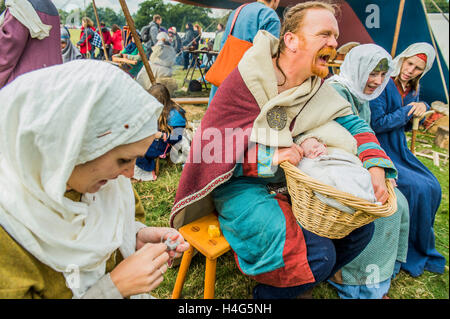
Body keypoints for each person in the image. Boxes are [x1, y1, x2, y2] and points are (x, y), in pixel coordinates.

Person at [170, 2, 398, 299]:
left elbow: (355, 124)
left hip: (293, 181)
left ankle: (298, 280)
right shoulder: (247, 79)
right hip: (240, 185)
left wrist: (375, 165)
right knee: (319, 256)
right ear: (291, 40)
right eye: (325, 34)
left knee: (360, 231)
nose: (334, 43)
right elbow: (210, 148)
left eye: (336, 36)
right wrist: (270, 157)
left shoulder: (315, 87)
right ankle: (269, 294)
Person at [0, 60, 190, 299]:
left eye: (134, 160)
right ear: (73, 146)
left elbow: (120, 219)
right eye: (123, 160)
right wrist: (114, 288)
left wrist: (135, 236)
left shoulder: (107, 184)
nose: (131, 174)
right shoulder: (8, 232)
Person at [323, 44, 411, 299]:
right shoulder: (337, 91)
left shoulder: (363, 95)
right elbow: (338, 139)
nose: (377, 81)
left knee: (400, 203)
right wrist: (372, 170)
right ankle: (354, 283)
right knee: (382, 211)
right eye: (372, 73)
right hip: (335, 167)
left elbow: (367, 137)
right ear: (357, 68)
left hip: (359, 164)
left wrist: (379, 168)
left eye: (383, 75)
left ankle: (382, 275)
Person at [370, 43, 446, 278]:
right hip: (381, 146)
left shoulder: (412, 89)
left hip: (399, 147)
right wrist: (407, 112)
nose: (410, 70)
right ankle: (405, 249)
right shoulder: (383, 83)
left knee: (432, 185)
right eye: (409, 63)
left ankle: (419, 244)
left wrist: (421, 106)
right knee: (415, 187)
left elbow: (406, 122)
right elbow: (377, 123)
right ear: (402, 58)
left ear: (423, 72)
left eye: (418, 68)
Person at [208, 0, 281, 105]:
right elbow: (269, 57)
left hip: (224, 76)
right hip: (247, 82)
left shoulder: (238, 10)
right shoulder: (270, 16)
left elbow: (224, 44)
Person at [295, 131, 378, 213]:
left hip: (349, 172)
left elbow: (353, 163)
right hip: (336, 184)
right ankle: (362, 200)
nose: (315, 151)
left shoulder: (337, 153)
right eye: (309, 153)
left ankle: (367, 197)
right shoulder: (311, 164)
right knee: (336, 175)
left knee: (364, 174)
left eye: (316, 147)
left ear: (324, 146)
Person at [0, 0, 62, 88]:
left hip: (24, 87)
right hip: (50, 81)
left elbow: (6, 53)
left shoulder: (20, 4)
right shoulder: (51, 6)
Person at [134, 84, 187, 181]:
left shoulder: (175, 114)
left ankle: (147, 173)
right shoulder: (154, 109)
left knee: (139, 149)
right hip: (153, 139)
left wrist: (162, 135)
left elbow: (178, 137)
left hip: (164, 144)